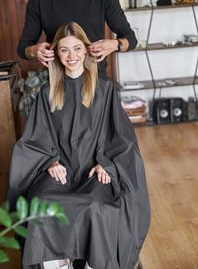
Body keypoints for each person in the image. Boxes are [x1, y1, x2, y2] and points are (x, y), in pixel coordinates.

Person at [8, 22, 150, 269]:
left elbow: (121, 138)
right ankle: (56, 262)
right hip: (59, 170)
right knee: (41, 202)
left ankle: (92, 263)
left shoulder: (104, 90)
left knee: (95, 206)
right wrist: (49, 162)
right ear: (56, 54)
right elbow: (35, 138)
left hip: (93, 171)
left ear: (86, 50)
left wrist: (108, 164)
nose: (71, 56)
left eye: (76, 48)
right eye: (64, 50)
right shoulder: (47, 92)